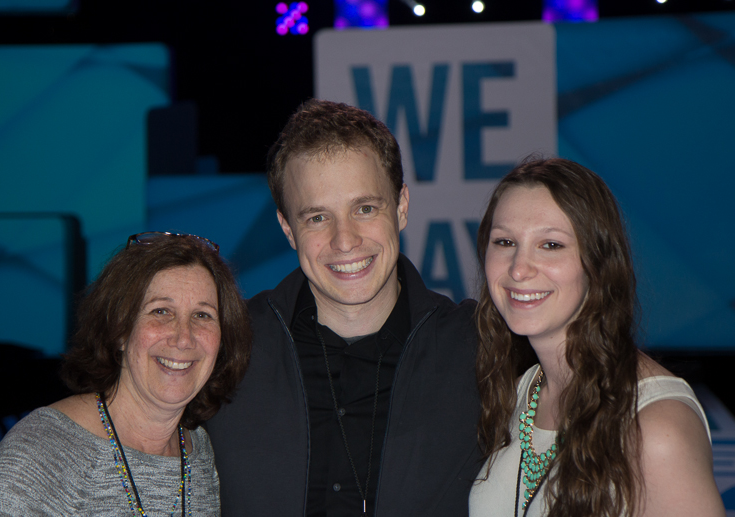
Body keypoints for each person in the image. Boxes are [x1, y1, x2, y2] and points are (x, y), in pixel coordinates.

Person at [208, 99, 482, 516]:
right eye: (317, 218)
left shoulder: (481, 348)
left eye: (365, 209)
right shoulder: (224, 347)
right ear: (287, 229)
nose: (345, 240)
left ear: (402, 207)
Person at [468, 158, 724, 516]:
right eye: (505, 241)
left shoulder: (657, 427)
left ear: (598, 263)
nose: (519, 268)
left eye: (551, 245)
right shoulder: (520, 394)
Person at [0, 232, 252, 516]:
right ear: (119, 330)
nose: (184, 338)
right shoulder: (44, 450)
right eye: (161, 311)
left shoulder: (199, 452)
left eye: (202, 315)